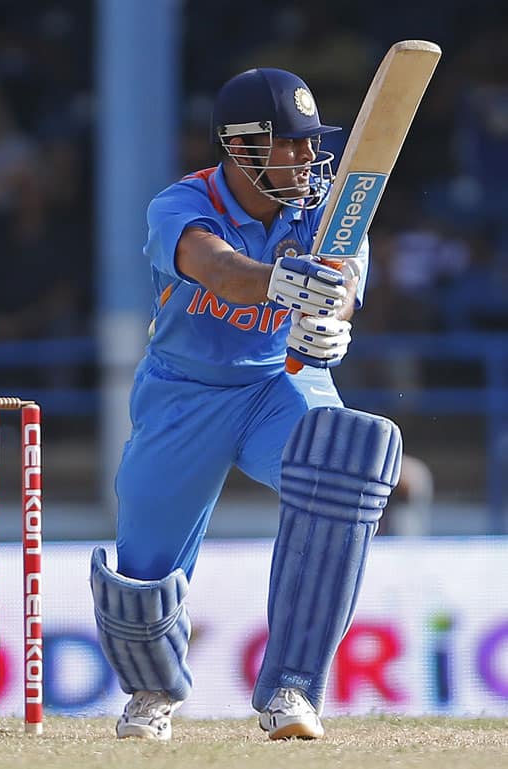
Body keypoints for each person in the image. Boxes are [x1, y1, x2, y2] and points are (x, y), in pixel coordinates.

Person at [90, 67, 402, 742]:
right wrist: (288, 282)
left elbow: (344, 279)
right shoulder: (178, 204)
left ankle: (290, 685)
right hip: (183, 392)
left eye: (309, 143)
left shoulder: (326, 207)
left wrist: (331, 317)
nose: (305, 158)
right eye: (287, 144)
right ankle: (152, 691)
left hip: (279, 382)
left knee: (347, 460)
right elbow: (219, 271)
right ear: (241, 147)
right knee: (144, 567)